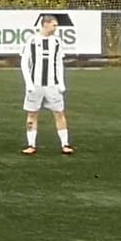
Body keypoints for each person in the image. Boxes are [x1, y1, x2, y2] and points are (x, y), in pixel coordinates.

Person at [21, 11, 72, 156]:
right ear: (45, 24)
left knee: (59, 113)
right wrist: (28, 83)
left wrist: (61, 82)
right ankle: (31, 144)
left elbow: (59, 63)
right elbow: (24, 63)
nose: (56, 28)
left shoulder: (57, 42)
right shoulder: (31, 40)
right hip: (35, 85)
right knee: (32, 114)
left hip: (52, 85)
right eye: (54, 25)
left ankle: (65, 144)